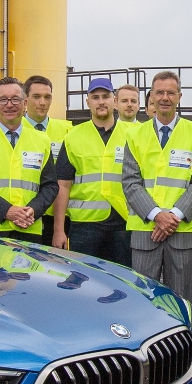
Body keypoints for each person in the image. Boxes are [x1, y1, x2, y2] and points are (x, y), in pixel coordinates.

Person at [122, 71, 192, 303]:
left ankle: (183, 341)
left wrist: (173, 216)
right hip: (146, 230)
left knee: (181, 301)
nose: (165, 97)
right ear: (151, 96)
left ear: (179, 96)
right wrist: (157, 215)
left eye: (170, 93)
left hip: (182, 233)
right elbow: (131, 181)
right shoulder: (134, 134)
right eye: (159, 92)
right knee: (142, 301)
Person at [0, 77, 62, 238]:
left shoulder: (41, 139)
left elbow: (50, 186)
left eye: (15, 99)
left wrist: (32, 210)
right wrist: (7, 211)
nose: (9, 104)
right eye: (3, 100)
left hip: (29, 228)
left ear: (25, 103)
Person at [53, 77, 134, 265]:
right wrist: (59, 230)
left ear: (114, 101)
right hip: (85, 227)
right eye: (95, 97)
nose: (101, 101)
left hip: (123, 223)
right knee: (83, 283)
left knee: (122, 284)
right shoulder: (73, 136)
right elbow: (63, 185)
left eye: (105, 96)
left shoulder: (133, 134)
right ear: (88, 102)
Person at [22, 76, 70, 242]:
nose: (42, 102)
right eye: (36, 97)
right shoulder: (14, 131)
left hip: (58, 216)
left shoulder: (67, 130)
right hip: (25, 214)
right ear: (25, 99)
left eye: (47, 97)